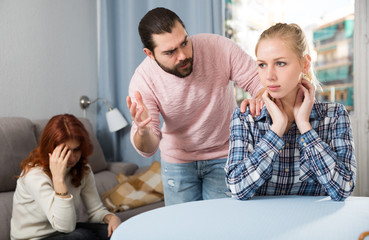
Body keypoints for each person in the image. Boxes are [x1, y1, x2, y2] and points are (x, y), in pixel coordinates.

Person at [126, 7, 264, 205]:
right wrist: (142, 131)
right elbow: (149, 147)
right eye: (170, 52)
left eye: (184, 43)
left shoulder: (217, 47)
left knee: (224, 231)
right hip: (178, 162)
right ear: (150, 54)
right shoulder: (143, 80)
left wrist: (259, 97)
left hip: (225, 155)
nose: (182, 55)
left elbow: (258, 81)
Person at [225, 23, 356, 201]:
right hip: (260, 225)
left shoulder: (335, 116)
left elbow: (343, 189)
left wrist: (305, 126)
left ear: (305, 64)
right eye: (262, 65)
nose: (269, 75)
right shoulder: (246, 117)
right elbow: (237, 188)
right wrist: (277, 129)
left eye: (280, 63)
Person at [11, 114, 121, 240]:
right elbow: (65, 226)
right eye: (65, 151)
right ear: (51, 149)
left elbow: (95, 211)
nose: (73, 158)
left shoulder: (82, 169)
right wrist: (58, 179)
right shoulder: (34, 175)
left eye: (76, 149)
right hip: (34, 238)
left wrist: (112, 218)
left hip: (63, 234)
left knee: (113, 231)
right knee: (82, 236)